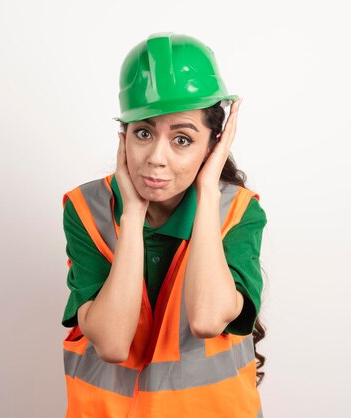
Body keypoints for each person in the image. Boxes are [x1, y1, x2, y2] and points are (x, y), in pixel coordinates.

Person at [60, 32, 268, 417]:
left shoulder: (237, 212)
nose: (156, 158)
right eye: (144, 132)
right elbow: (112, 344)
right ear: (123, 137)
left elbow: (207, 320)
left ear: (213, 144)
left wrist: (207, 189)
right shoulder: (86, 209)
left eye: (183, 139)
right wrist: (133, 214)